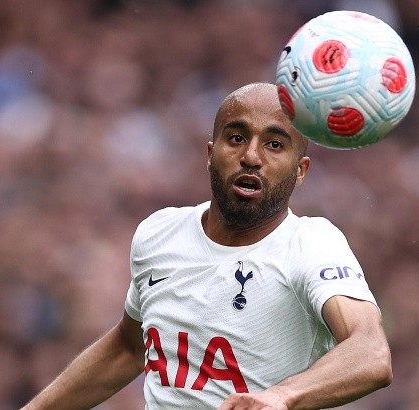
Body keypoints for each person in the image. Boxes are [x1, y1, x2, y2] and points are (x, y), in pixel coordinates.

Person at [22, 82, 392, 410]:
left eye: (275, 144)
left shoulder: (310, 244)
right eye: (236, 138)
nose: (251, 156)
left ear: (301, 170)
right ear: (210, 153)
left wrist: (282, 396)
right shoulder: (159, 234)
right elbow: (129, 349)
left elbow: (371, 352)